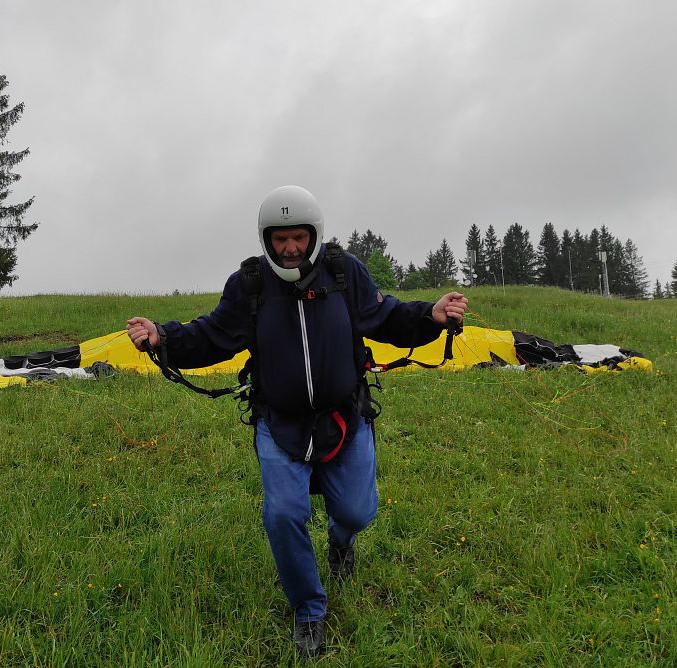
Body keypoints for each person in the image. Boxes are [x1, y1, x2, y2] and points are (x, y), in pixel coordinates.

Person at [126, 186, 467, 657]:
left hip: (344, 417)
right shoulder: (249, 285)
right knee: (283, 515)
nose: (290, 248)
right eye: (280, 239)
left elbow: (384, 316)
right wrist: (162, 338)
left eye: (298, 238)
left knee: (357, 513)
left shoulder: (344, 273)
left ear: (314, 235)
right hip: (279, 423)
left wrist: (430, 315)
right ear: (267, 239)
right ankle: (308, 610)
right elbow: (212, 334)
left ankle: (341, 542)